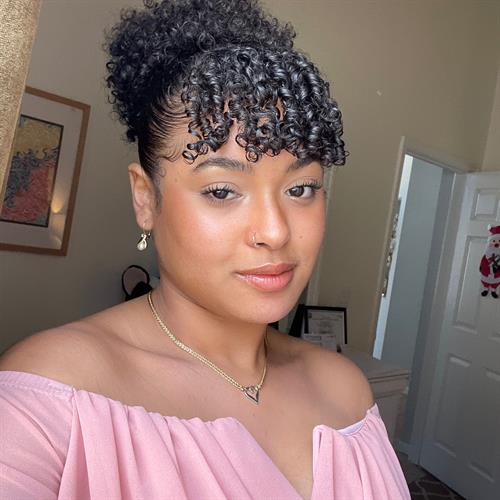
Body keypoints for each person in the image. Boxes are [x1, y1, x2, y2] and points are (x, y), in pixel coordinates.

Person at [0, 1, 411, 498]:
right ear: (145, 199)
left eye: (301, 188)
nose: (275, 231)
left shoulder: (347, 391)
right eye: (221, 191)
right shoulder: (49, 399)